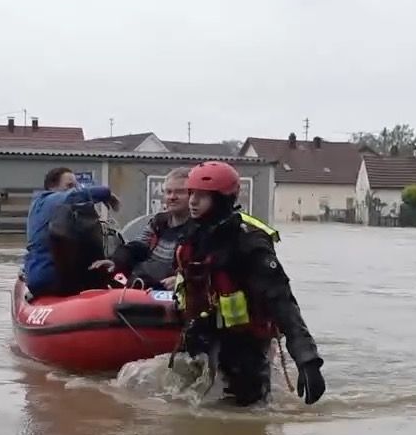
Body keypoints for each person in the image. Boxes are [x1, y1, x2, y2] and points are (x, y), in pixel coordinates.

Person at [172, 161, 326, 406]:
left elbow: (281, 299)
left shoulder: (249, 242)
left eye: (202, 196)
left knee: (246, 407)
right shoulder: (192, 234)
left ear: (222, 199)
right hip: (202, 330)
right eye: (191, 193)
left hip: (244, 340)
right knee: (183, 399)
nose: (192, 201)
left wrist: (306, 358)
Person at [23, 167, 121, 297]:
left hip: (43, 274)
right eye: (69, 186)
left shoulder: (46, 207)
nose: (74, 189)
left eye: (76, 186)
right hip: (48, 277)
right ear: (52, 188)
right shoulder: (48, 201)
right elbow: (75, 195)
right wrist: (106, 193)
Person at [89, 167, 193, 289]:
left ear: (193, 195)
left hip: (170, 295)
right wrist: (115, 262)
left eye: (180, 192)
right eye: (168, 192)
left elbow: (202, 269)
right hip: (141, 287)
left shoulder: (201, 229)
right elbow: (137, 246)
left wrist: (181, 280)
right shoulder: (159, 221)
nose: (172, 197)